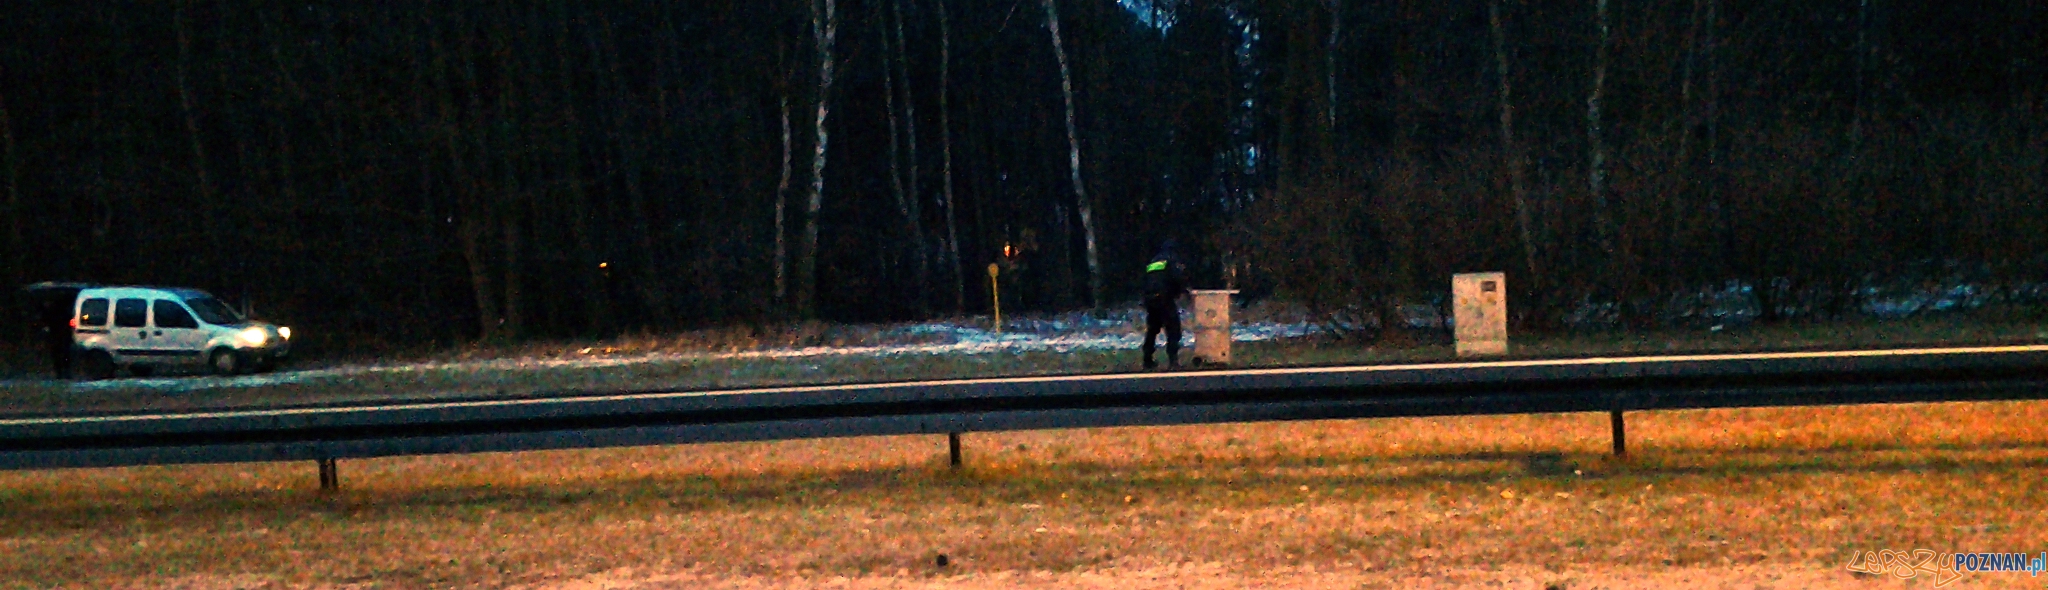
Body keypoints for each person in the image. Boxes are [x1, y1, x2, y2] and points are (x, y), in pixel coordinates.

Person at [1141, 240, 1190, 370]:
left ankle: (1147, 359)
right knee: (1173, 328)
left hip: (1150, 299)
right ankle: (1173, 361)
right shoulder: (1172, 259)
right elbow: (1177, 278)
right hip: (1164, 298)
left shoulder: (1153, 261)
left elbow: (1145, 280)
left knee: (1152, 329)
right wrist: (1182, 291)